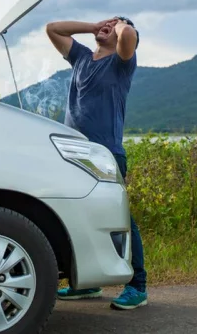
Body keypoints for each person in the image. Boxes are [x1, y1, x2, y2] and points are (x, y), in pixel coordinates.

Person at [45, 16, 148, 310]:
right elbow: (53, 28)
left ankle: (138, 286)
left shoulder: (122, 63)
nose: (111, 24)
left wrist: (120, 26)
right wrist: (93, 26)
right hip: (74, 153)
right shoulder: (80, 57)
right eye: (110, 21)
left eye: (115, 25)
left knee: (122, 220)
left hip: (106, 155)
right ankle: (88, 284)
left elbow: (128, 34)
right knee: (78, 216)